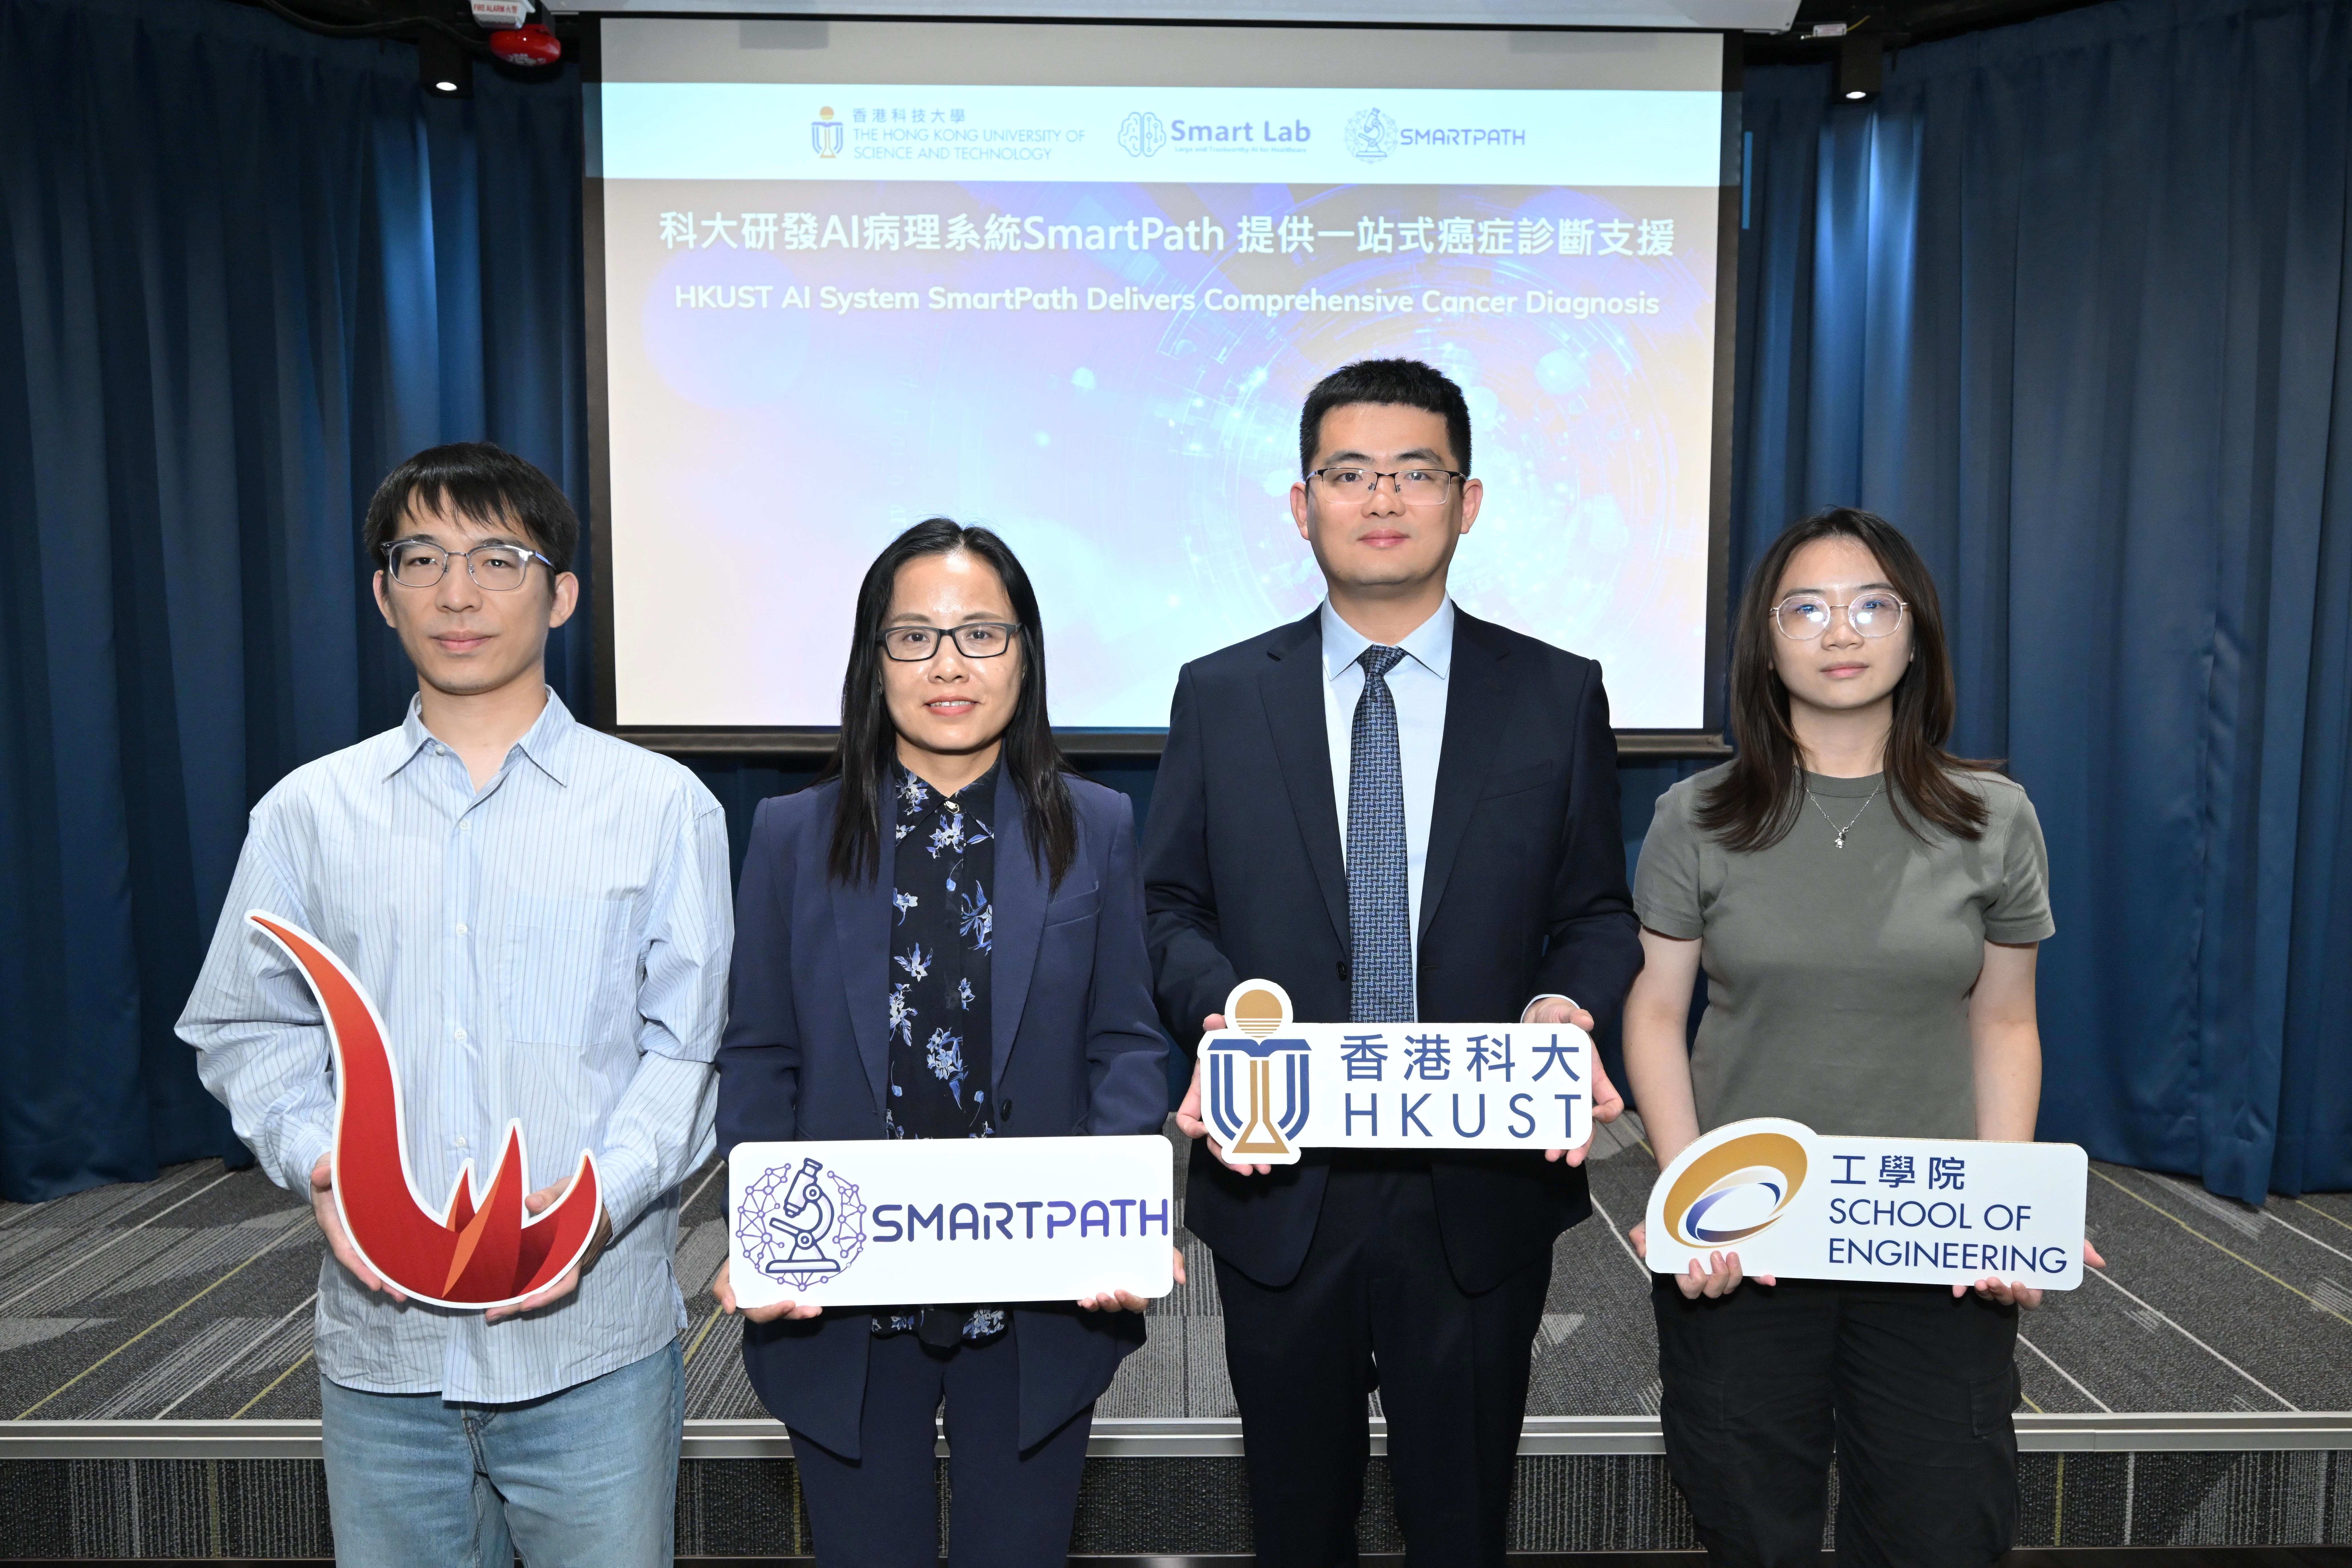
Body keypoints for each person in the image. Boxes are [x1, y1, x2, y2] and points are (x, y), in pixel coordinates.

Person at [178, 443, 732, 1568]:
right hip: (384, 1354)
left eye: (497, 558)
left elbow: (694, 1053)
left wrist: (590, 1210)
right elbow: (246, 1022)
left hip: (596, 1345)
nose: (458, 592)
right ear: (384, 595)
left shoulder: (662, 808)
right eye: (421, 559)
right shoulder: (306, 814)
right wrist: (318, 1155)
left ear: (562, 593)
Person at [1142, 358, 1645, 1566]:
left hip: (1477, 1184)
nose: (1383, 497)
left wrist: (1562, 1002)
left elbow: (1595, 911)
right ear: (1301, 500)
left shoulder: (1554, 692)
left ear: (1466, 501)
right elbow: (1168, 906)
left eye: (1416, 472)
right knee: (1296, 1519)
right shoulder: (1219, 694)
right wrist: (1229, 1012)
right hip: (1283, 1180)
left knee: (1461, 1520)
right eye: (1349, 472)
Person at [1621, 506, 2102, 1567]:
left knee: (1943, 1527)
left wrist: (2004, 1208)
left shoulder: (1995, 815)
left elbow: (2006, 1019)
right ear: (1767, 639)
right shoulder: (1695, 816)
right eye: (1808, 608)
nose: (1842, 630)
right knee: (1750, 1519)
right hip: (1749, 1236)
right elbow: (1657, 1013)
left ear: (1914, 632)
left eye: (1871, 605)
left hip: (1925, 1233)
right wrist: (1682, 1191)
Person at [712, 519, 1171, 1568]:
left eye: (981, 635)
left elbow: (1126, 1042)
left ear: (1027, 655)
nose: (950, 665)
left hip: (1038, 1286)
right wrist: (762, 1230)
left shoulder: (1094, 825)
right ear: (875, 662)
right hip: (839, 1293)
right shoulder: (793, 832)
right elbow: (761, 1055)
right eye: (915, 637)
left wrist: (1115, 1213)